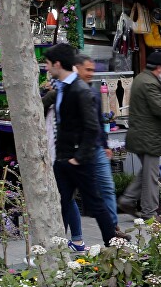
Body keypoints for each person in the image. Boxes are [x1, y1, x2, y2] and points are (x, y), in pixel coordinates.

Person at [44, 42, 118, 249]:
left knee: (95, 203)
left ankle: (113, 245)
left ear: (58, 64)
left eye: (48, 64)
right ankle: (54, 248)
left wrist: (79, 157)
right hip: (63, 158)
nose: (46, 68)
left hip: (78, 159)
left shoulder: (80, 90)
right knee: (61, 204)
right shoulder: (62, 88)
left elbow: (92, 126)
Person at [120, 52, 161, 220]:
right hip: (148, 136)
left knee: (147, 172)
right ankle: (150, 213)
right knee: (151, 176)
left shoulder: (140, 78)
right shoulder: (150, 83)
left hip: (139, 134)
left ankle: (127, 199)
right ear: (159, 68)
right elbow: (158, 109)